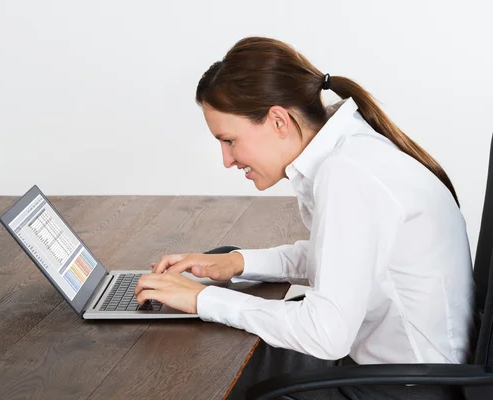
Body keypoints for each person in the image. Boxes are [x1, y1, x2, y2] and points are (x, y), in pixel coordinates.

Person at [134, 37, 474, 399]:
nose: (226, 160)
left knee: (213, 373)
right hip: (413, 372)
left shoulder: (348, 173)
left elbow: (326, 334)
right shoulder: (354, 150)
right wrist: (237, 262)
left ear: (278, 120)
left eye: (229, 140)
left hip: (405, 388)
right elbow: (340, 257)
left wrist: (201, 300)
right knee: (235, 347)